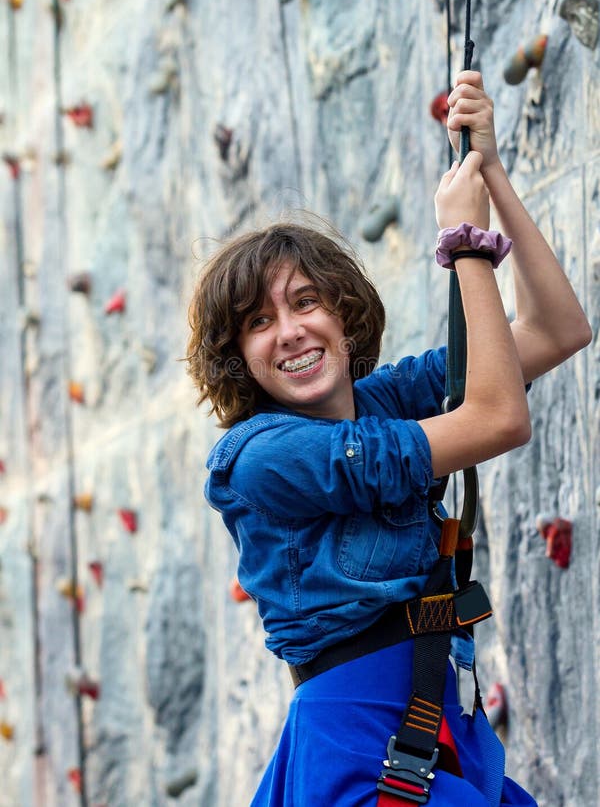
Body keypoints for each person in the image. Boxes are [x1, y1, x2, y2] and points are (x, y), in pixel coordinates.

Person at [186, 71, 591, 806]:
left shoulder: (384, 402)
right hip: (359, 743)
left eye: (306, 302)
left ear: (344, 314)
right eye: (258, 323)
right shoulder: (260, 459)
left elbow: (556, 330)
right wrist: (463, 242)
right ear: (237, 356)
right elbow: (499, 418)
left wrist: (490, 174)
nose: (291, 333)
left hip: (434, 723)